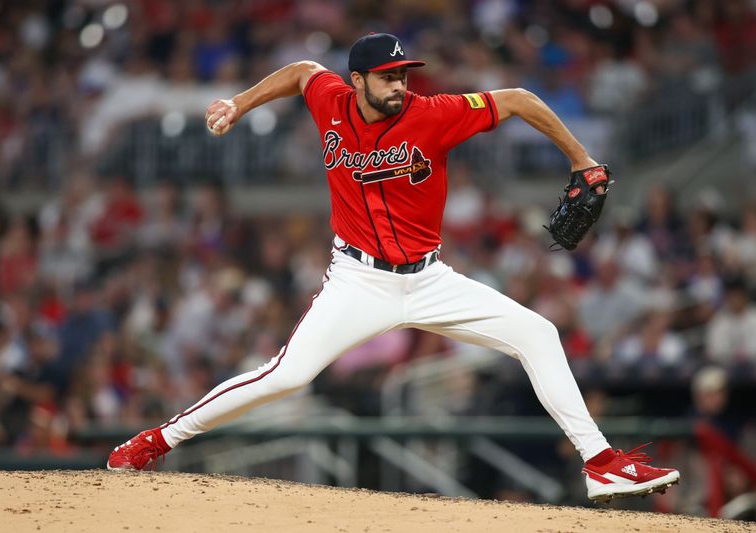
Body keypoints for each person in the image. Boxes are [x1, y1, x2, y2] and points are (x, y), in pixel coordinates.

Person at [107, 33, 679, 502]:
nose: (400, 84)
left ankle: (601, 463)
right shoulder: (330, 99)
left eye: (403, 74)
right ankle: (157, 440)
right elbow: (303, 70)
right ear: (357, 81)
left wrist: (581, 158)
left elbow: (521, 99)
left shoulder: (435, 114)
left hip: (430, 280)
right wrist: (239, 103)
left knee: (538, 333)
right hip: (358, 281)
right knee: (287, 376)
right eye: (388, 76)